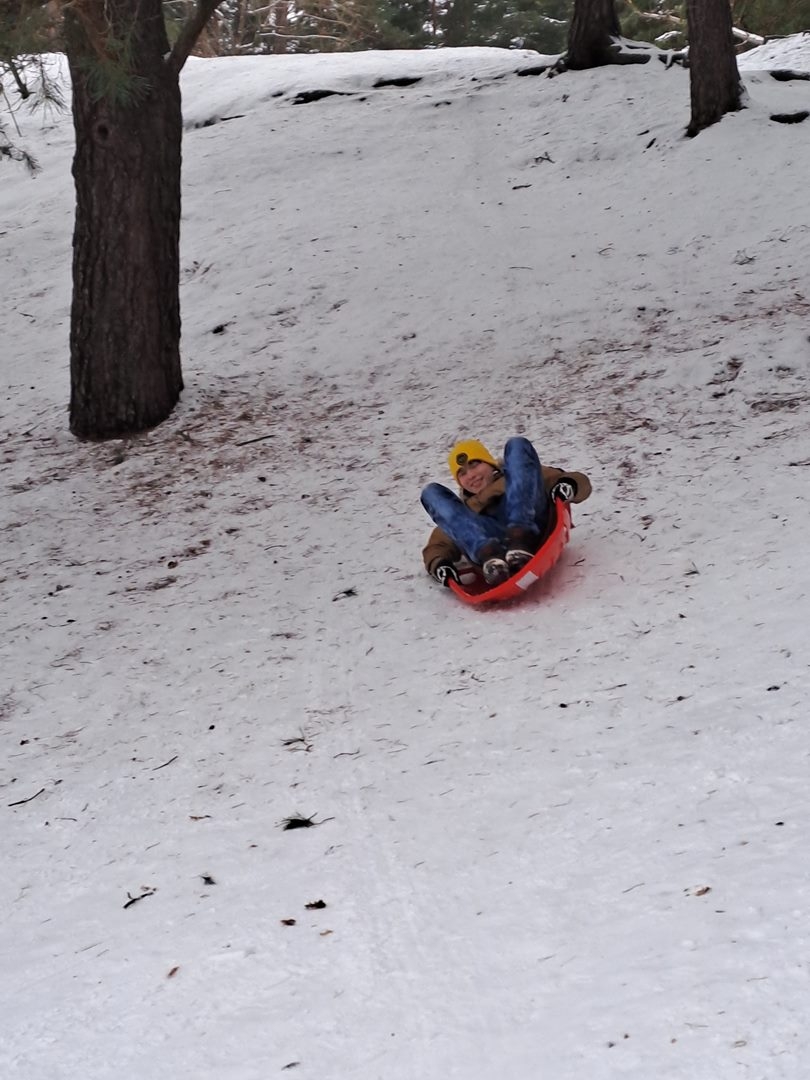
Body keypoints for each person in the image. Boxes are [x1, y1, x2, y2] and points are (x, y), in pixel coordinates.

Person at [421, 437, 591, 587]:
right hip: (492, 549)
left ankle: (521, 537)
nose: (471, 475)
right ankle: (491, 558)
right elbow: (438, 544)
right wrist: (439, 564)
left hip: (533, 529)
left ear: (490, 464)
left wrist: (568, 485)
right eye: (462, 473)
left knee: (517, 445)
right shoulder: (464, 512)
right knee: (431, 492)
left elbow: (576, 480)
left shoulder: (518, 476)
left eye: (474, 464)